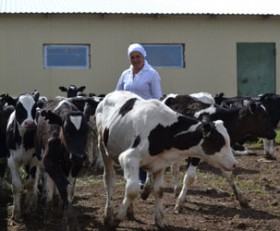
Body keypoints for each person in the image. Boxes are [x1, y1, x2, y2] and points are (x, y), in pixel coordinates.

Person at [116, 43, 163, 187]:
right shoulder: (125, 74)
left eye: (138, 56)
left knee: (140, 147)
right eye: (132, 57)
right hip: (128, 115)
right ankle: (131, 175)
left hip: (145, 116)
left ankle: (142, 177)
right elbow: (117, 93)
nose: (135, 60)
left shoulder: (152, 74)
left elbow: (157, 97)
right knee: (128, 146)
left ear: (143, 57)